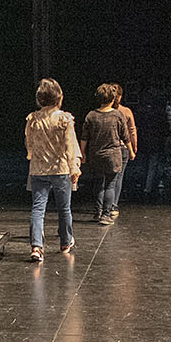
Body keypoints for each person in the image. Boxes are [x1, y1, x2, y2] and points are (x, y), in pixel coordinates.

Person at [25, 79, 81, 261]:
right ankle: (65, 242)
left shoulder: (33, 119)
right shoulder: (64, 119)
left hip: (38, 169)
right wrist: (74, 168)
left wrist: (33, 155)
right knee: (64, 208)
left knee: (38, 208)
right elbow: (70, 145)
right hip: (60, 169)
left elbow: (29, 143)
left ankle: (36, 247)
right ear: (59, 97)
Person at [82, 83, 134, 226]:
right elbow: (125, 136)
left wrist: (82, 153)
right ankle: (106, 214)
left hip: (96, 155)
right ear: (113, 98)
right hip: (113, 156)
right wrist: (131, 151)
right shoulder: (117, 115)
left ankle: (97, 211)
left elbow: (84, 137)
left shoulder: (91, 115)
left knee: (98, 183)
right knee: (110, 185)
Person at [113, 83, 138, 216]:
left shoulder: (100, 112)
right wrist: (134, 146)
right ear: (120, 96)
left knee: (104, 178)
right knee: (118, 177)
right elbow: (132, 131)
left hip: (105, 148)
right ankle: (113, 206)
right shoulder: (126, 111)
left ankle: (101, 206)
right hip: (122, 147)